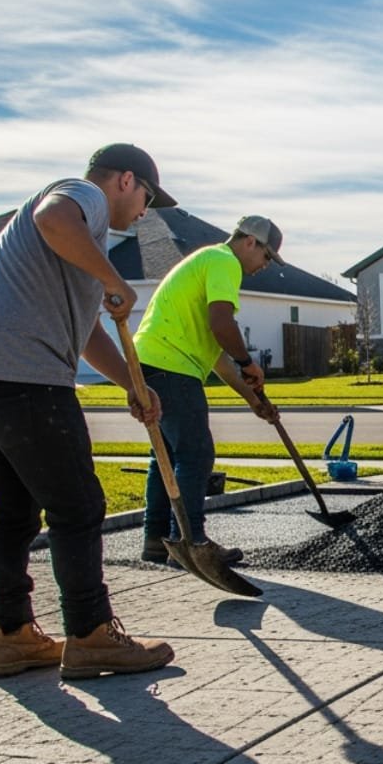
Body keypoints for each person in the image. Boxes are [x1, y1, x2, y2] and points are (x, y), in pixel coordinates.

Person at [0, 143, 178, 679]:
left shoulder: (80, 247)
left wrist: (131, 384)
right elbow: (54, 217)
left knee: (13, 510)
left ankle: (11, 637)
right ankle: (92, 634)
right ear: (124, 180)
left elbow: (87, 329)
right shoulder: (82, 198)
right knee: (77, 506)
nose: (143, 212)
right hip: (24, 375)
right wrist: (115, 281)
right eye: (145, 197)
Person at [132, 216, 283, 565]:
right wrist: (248, 362)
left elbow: (214, 354)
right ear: (250, 243)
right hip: (171, 365)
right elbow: (222, 323)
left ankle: (159, 541)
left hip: (151, 362)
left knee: (167, 456)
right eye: (266, 257)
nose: (264, 266)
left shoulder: (206, 261)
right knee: (196, 454)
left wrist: (252, 399)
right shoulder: (223, 262)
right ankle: (192, 543)